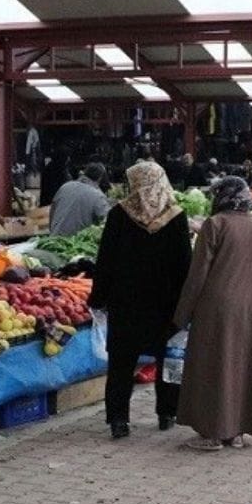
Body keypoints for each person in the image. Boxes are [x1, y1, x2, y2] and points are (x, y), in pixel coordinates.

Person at [173, 176, 252, 451]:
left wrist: (181, 315)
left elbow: (197, 275)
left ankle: (212, 434)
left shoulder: (215, 224)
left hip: (218, 309)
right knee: (243, 367)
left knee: (213, 367)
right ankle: (236, 432)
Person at [88, 161, 191, 440]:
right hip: (165, 305)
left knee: (121, 364)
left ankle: (119, 420)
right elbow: (185, 266)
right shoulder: (177, 217)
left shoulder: (119, 215)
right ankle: (167, 413)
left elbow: (105, 261)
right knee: (166, 359)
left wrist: (98, 298)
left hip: (126, 303)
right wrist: (186, 307)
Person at [49, 163, 111, 236]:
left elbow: (52, 210)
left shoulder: (66, 186)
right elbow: (109, 221)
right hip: (74, 243)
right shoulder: (98, 195)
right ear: (100, 178)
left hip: (53, 238)